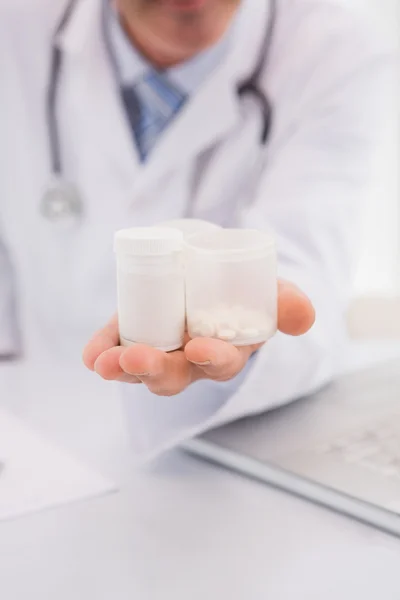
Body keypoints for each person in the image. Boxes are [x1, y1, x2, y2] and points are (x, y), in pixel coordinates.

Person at [0, 0, 394, 458]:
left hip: (223, 445)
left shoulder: (334, 47)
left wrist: (250, 335)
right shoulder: (16, 24)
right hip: (32, 421)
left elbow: (305, 265)